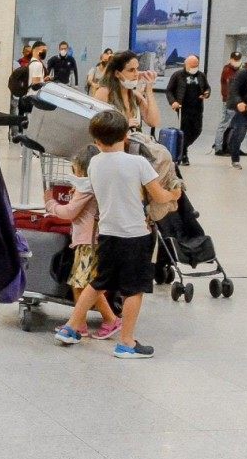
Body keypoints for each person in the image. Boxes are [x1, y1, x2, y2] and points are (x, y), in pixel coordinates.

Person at [55, 110, 182, 359]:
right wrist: (173, 196)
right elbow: (157, 195)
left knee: (99, 282)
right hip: (135, 235)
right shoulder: (138, 163)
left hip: (108, 233)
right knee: (134, 289)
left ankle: (70, 328)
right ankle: (127, 342)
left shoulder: (94, 163)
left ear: (95, 140)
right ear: (126, 135)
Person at [43, 146, 120, 339]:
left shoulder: (85, 188)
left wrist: (50, 204)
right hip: (93, 240)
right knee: (80, 283)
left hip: (88, 243)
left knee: (85, 284)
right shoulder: (98, 184)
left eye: (75, 168)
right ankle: (79, 323)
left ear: (83, 169)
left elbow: (69, 212)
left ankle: (110, 320)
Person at [93, 51, 160, 131]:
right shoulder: (104, 92)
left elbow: (153, 122)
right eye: (131, 70)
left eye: (137, 69)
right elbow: (96, 127)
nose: (136, 74)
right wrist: (124, 124)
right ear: (117, 73)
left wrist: (149, 90)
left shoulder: (135, 95)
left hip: (134, 141)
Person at [164, 55, 211, 164]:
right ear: (186, 64)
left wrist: (207, 93)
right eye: (192, 65)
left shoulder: (201, 76)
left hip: (197, 108)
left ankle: (180, 148)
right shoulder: (177, 75)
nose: (194, 67)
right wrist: (173, 102)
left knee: (197, 131)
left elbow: (207, 87)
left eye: (196, 65)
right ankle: (184, 155)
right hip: (183, 108)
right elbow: (169, 91)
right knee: (184, 132)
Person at [212, 51, 242, 154]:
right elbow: (230, 86)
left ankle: (228, 146)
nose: (236, 62)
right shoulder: (227, 70)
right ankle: (218, 147)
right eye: (235, 60)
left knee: (232, 125)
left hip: (238, 102)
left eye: (238, 60)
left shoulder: (240, 70)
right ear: (231, 59)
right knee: (224, 124)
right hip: (229, 101)